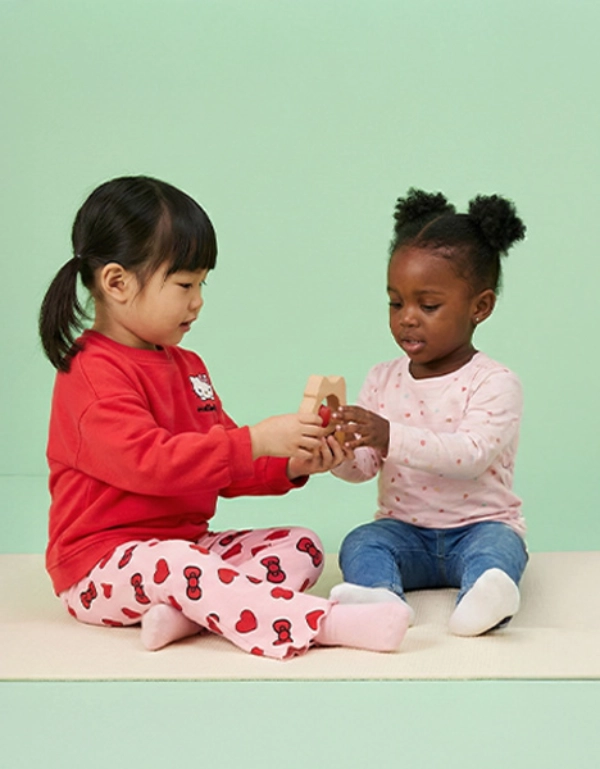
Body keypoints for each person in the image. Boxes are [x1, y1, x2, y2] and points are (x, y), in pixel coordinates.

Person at [38, 175, 410, 659]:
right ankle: (324, 623)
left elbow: (223, 460)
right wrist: (256, 440)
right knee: (177, 563)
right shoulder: (91, 374)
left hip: (186, 550)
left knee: (302, 547)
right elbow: (152, 464)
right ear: (117, 283)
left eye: (202, 284)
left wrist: (291, 460)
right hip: (100, 567)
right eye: (184, 284)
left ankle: (182, 614)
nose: (198, 301)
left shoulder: (188, 366)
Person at [330, 188, 528, 636]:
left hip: (479, 526)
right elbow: (365, 466)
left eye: (428, 305)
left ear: (480, 307)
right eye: (395, 302)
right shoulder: (382, 378)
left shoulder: (494, 382)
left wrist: (388, 434)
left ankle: (486, 596)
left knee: (500, 549)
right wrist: (338, 452)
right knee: (362, 542)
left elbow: (469, 455)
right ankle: (381, 597)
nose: (407, 318)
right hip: (405, 531)